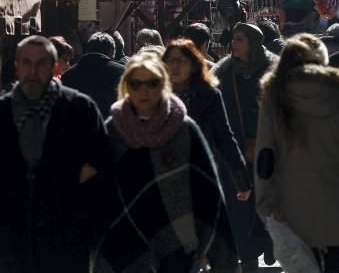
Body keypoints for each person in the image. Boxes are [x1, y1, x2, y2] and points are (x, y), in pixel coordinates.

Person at [94, 53, 238, 272]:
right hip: (125, 240)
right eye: (136, 83)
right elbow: (99, 192)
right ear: (126, 86)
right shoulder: (114, 131)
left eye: (152, 83)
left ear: (164, 84)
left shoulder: (182, 129)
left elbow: (207, 191)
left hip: (178, 239)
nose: (144, 90)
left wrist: (219, 254)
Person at [0, 36, 109, 272]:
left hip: (67, 240)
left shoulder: (79, 109)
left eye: (41, 63)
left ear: (55, 66)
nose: (33, 70)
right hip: (12, 242)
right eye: (26, 63)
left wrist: (89, 232)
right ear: (17, 66)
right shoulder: (3, 112)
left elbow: (103, 171)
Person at [255, 36, 339, 273]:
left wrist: (267, 202)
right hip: (336, 199)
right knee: (334, 265)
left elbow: (265, 157)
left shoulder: (274, 97)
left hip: (290, 203)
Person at [211, 23, 278, 270]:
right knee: (240, 211)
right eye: (234, 39)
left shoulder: (273, 69)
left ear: (253, 42)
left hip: (270, 150)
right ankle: (249, 260)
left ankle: (270, 245)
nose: (234, 43)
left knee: (269, 206)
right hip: (236, 150)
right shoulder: (225, 72)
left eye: (240, 39)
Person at [163, 39, 251, 203]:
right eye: (170, 60)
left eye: (181, 61)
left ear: (194, 65)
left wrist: (241, 181)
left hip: (199, 174)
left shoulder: (208, 96)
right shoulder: (154, 95)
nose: (175, 66)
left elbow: (224, 138)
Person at [61, 31, 125, 119]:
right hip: (112, 127)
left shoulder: (68, 75)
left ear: (87, 49)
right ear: (111, 51)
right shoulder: (122, 72)